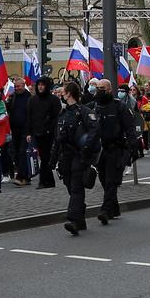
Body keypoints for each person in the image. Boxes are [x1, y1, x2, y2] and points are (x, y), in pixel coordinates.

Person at [55, 80, 98, 235]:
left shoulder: (85, 111)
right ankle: (80, 217)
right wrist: (52, 159)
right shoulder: (63, 114)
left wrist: (86, 147)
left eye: (63, 91)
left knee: (76, 186)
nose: (61, 94)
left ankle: (74, 219)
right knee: (68, 184)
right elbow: (57, 137)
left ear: (69, 93)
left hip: (79, 155)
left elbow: (94, 129)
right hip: (64, 155)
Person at [91, 78, 135, 224]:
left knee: (111, 180)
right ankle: (114, 208)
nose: (98, 91)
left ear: (109, 90)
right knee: (103, 180)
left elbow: (129, 127)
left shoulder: (119, 107)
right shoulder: (94, 107)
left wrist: (132, 147)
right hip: (100, 150)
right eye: (97, 88)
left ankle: (105, 210)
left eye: (101, 89)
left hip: (115, 148)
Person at [28, 76, 61, 188]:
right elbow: (29, 117)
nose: (40, 87)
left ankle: (43, 180)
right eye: (39, 85)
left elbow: (57, 117)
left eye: (42, 85)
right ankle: (49, 181)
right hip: (38, 132)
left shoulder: (53, 99)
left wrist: (51, 129)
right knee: (44, 157)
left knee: (46, 157)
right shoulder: (32, 100)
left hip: (49, 133)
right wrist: (29, 132)